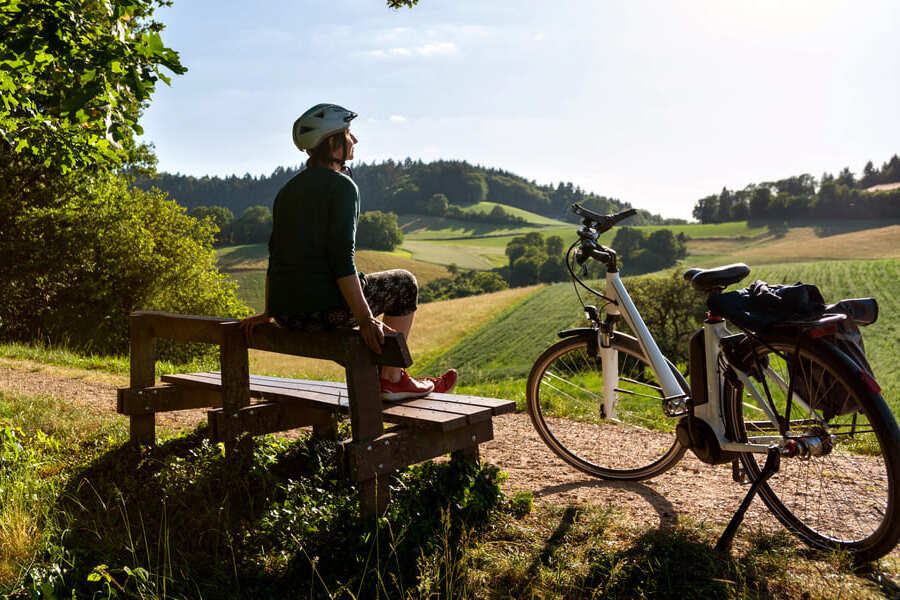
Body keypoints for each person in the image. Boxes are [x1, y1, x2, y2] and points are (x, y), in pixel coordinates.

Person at [240, 103, 456, 400]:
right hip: (324, 313)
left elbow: (276, 255)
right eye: (349, 134)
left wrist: (269, 312)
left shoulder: (287, 191)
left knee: (376, 321)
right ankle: (392, 379)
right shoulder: (342, 186)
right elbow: (341, 258)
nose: (354, 141)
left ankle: (398, 376)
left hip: (289, 315)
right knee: (405, 283)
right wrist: (365, 319)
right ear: (333, 142)